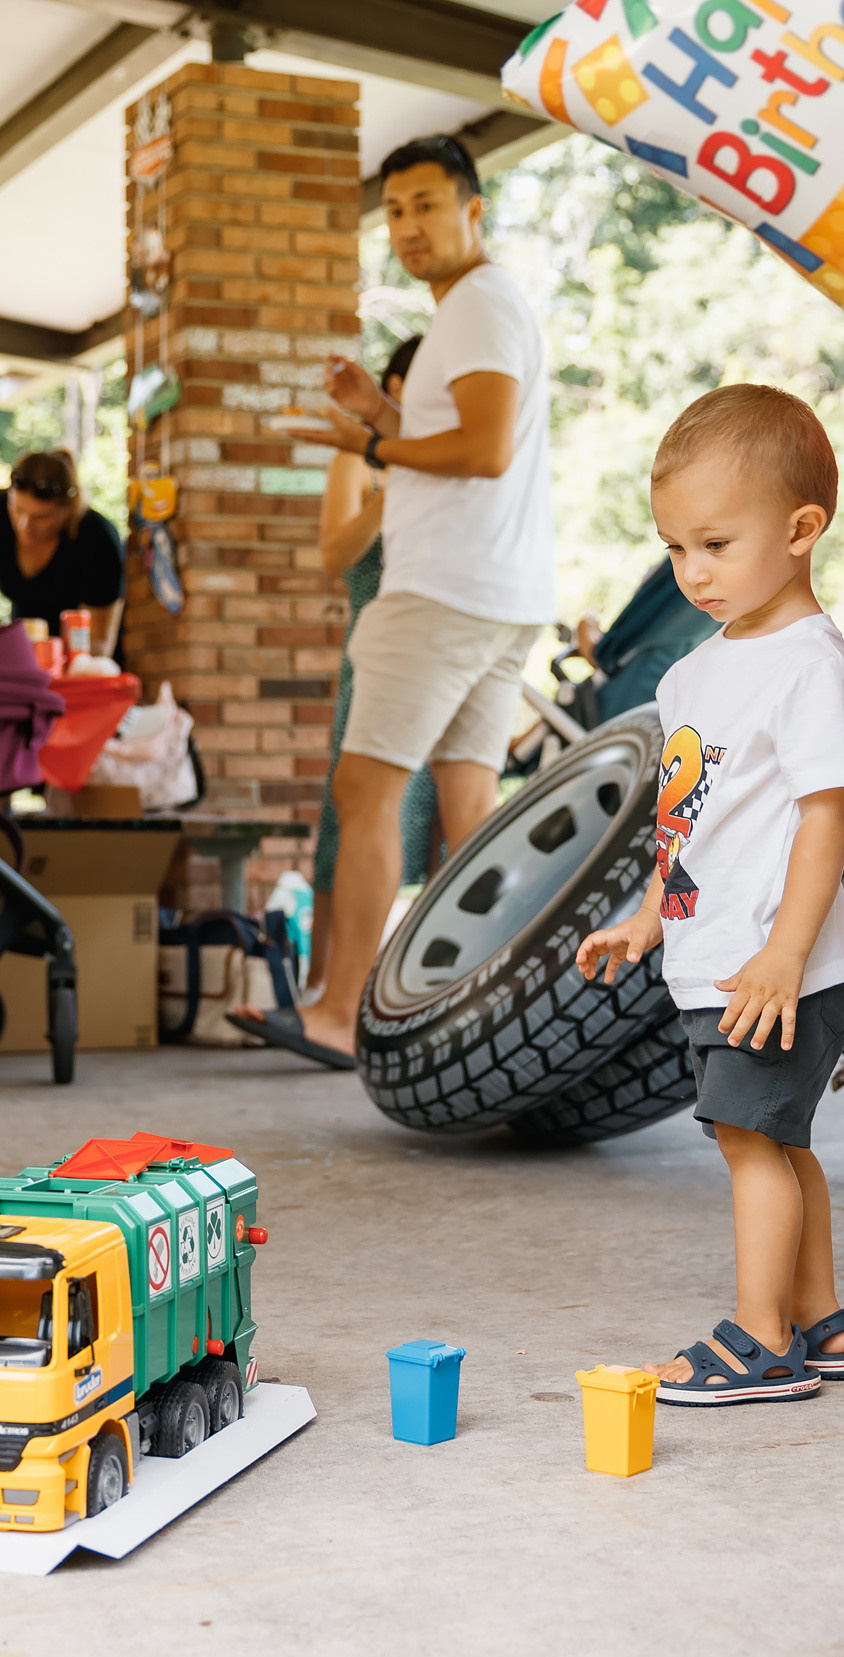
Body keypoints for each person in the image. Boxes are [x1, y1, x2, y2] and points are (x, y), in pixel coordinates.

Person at [574, 385, 844, 1406]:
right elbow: (690, 821)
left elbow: (825, 821)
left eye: (714, 544)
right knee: (776, 1141)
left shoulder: (809, 670)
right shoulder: (693, 677)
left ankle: (760, 1339)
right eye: (674, 548)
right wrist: (648, 914)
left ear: (800, 530)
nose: (692, 572)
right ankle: (822, 1322)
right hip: (717, 959)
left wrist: (785, 954)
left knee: (752, 1145)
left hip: (776, 968)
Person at [248, 133, 555, 1067]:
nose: (409, 226)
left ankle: (338, 1010)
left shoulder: (475, 303)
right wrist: (379, 415)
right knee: (469, 809)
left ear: (474, 209)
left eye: (427, 205)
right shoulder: (481, 307)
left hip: (442, 590)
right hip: (500, 591)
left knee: (366, 791)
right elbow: (458, 440)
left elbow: (484, 451)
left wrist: (372, 446)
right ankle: (486, 1016)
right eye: (394, 211)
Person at [303, 337, 437, 996]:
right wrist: (395, 483)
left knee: (433, 821)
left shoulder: (450, 460)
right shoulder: (357, 458)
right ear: (395, 387)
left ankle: (417, 988)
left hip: (441, 653)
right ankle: (324, 981)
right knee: (351, 813)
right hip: (376, 650)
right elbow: (334, 555)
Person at [0, 449, 126, 655]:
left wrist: (52, 661)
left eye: (41, 517)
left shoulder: (98, 538)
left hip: (81, 660)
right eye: (17, 509)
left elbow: (100, 644)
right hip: (21, 653)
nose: (24, 525)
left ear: (68, 509)